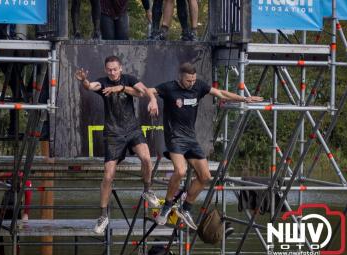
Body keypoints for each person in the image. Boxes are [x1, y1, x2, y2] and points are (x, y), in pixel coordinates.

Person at [146, 62, 263, 230]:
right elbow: (150, 90)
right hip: (174, 138)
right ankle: (167, 206)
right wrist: (153, 101)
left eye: (193, 80)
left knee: (205, 176)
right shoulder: (169, 88)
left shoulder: (199, 86)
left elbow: (220, 93)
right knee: (180, 171)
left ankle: (185, 208)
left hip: (190, 139)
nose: (191, 83)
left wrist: (244, 98)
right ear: (180, 77)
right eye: (188, 80)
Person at [74, 55, 160, 234]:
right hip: (113, 134)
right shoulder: (103, 83)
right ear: (106, 70)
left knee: (146, 158)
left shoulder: (128, 79)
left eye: (115, 69)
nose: (112, 72)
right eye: (109, 69)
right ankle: (103, 216)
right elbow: (91, 87)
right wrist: (84, 81)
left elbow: (144, 91)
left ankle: (148, 190)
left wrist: (151, 100)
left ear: (120, 68)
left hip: (132, 129)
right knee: (108, 176)